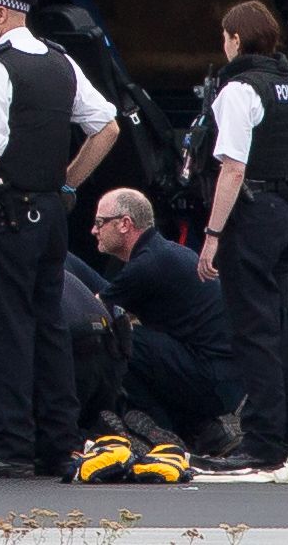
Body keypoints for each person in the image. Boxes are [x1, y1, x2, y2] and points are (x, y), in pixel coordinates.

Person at [0, 0, 119, 479]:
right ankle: (59, 442)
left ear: (2, 14)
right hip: (49, 218)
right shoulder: (60, 62)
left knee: (6, 330)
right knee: (49, 329)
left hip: (9, 215)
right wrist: (66, 183)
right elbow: (105, 126)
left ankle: (13, 445)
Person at [196, 0, 288, 468]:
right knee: (280, 324)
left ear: (235, 38)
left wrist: (212, 233)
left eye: (225, 36)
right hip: (283, 210)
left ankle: (263, 439)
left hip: (249, 215)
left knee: (253, 331)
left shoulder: (239, 90)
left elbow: (232, 168)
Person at [91, 187, 242, 455]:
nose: (94, 230)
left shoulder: (146, 266)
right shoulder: (163, 252)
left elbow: (92, 310)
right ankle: (202, 430)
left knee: (120, 340)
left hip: (213, 379)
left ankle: (161, 429)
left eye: (100, 222)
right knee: (141, 341)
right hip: (225, 377)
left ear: (125, 224)